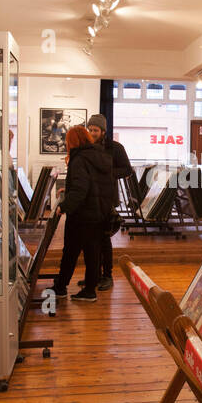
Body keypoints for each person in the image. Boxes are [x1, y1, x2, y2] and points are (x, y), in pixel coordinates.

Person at [52, 125, 114, 302]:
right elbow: (93, 184)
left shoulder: (79, 159)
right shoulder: (98, 155)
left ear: (72, 141)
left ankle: (61, 287)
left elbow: (81, 189)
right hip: (98, 213)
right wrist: (69, 189)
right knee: (93, 253)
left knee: (70, 252)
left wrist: (64, 206)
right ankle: (89, 290)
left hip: (82, 215)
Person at [85, 113, 133, 290]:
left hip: (107, 198)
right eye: (90, 129)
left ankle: (107, 275)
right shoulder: (87, 146)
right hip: (90, 199)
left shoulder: (116, 148)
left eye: (95, 130)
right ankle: (94, 275)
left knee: (104, 238)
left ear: (103, 131)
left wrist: (108, 173)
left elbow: (127, 170)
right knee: (92, 239)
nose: (92, 133)